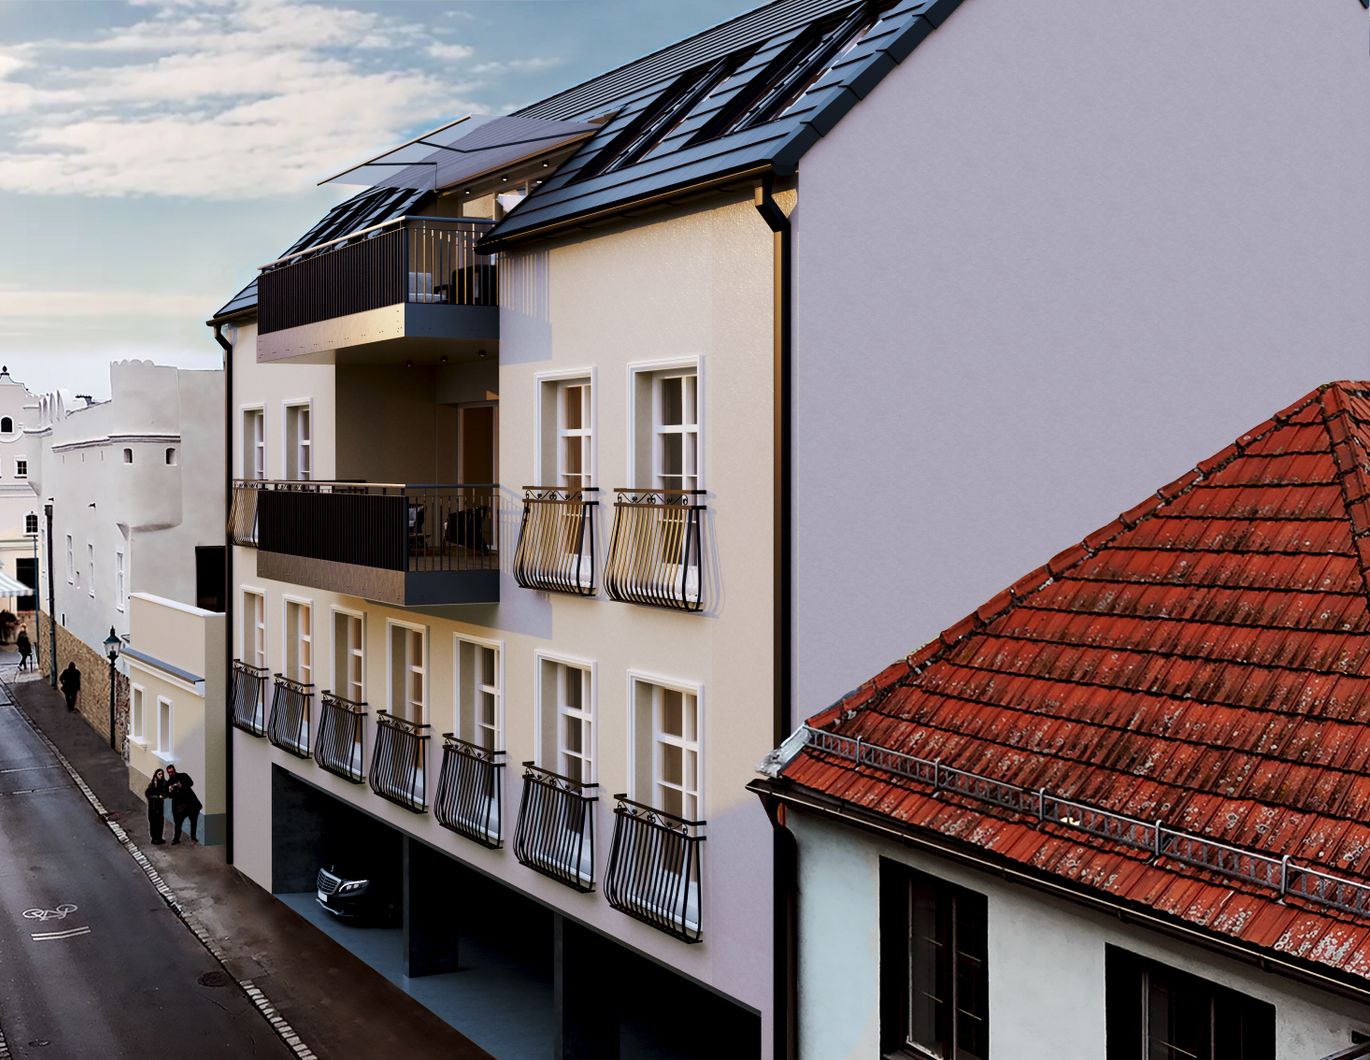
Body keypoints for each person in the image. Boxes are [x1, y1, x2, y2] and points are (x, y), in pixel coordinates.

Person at [165, 764, 201, 844]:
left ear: (174, 770)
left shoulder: (183, 775)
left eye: (172, 771)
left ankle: (193, 837)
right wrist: (170, 791)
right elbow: (170, 796)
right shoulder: (169, 783)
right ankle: (176, 839)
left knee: (193, 821)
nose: (171, 774)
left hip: (190, 803)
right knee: (178, 823)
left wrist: (181, 785)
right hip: (179, 806)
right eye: (169, 773)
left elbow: (191, 783)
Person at [145, 769, 168, 845]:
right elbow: (148, 794)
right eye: (159, 774)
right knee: (154, 823)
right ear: (156, 775)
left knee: (160, 823)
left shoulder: (164, 783)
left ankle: (159, 838)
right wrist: (158, 797)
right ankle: (154, 839)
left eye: (162, 774)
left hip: (160, 807)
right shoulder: (152, 784)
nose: (161, 775)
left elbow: (166, 792)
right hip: (153, 808)